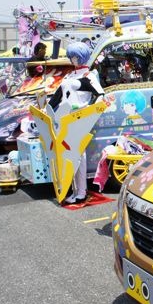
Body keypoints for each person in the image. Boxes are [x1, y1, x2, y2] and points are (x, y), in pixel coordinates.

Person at [48, 42, 104, 205]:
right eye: (71, 57)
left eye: (75, 57)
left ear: (82, 57)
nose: (73, 60)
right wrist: (47, 110)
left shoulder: (89, 76)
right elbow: (57, 97)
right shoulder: (69, 76)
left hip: (79, 118)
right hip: (64, 119)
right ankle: (73, 189)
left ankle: (81, 192)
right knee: (67, 155)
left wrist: (86, 111)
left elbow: (100, 95)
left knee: (78, 155)